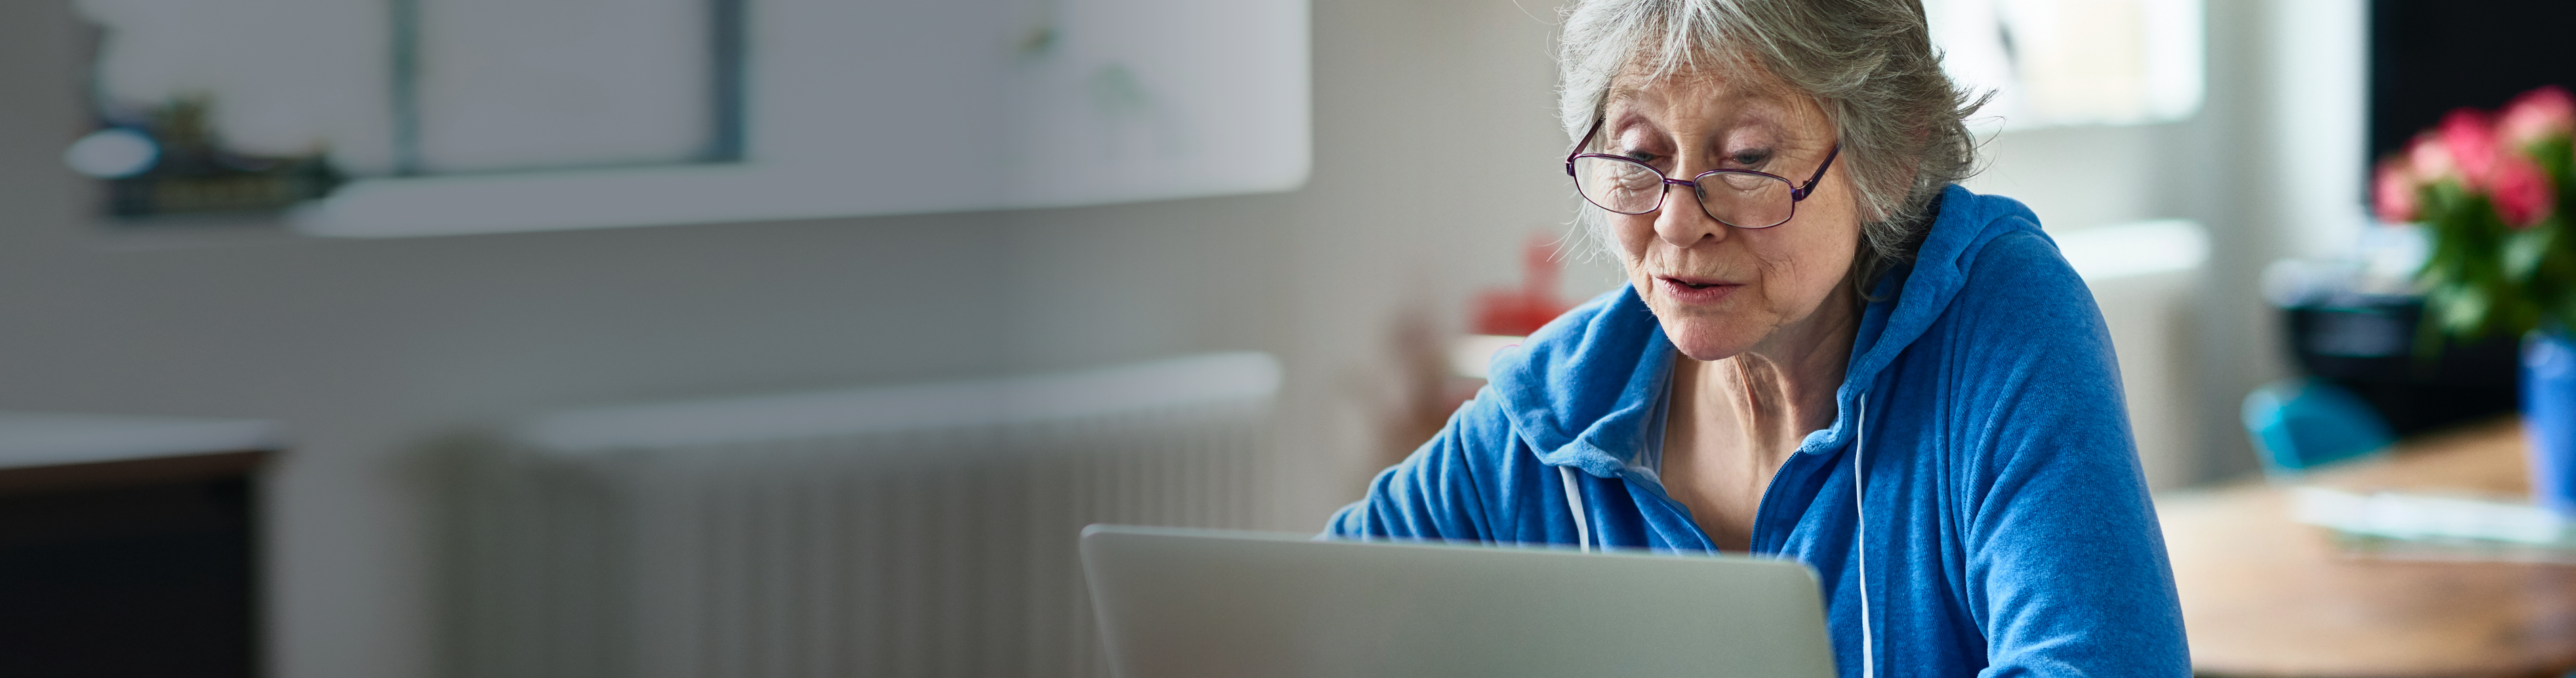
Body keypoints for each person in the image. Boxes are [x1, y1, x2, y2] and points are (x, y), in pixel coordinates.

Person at [1323, 1, 2191, 675]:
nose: (1677, 218)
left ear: (1890, 157)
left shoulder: (1999, 326)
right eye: (1638, 152)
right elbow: (1303, 625)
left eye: (1743, 159)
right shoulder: (1552, 415)